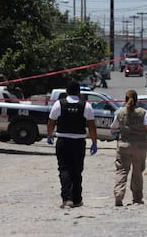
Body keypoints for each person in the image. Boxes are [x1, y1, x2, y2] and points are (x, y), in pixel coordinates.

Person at [47, 80, 98, 208]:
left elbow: (51, 121)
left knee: (64, 169)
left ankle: (67, 199)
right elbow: (92, 126)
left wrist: (49, 135)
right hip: (79, 142)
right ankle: (77, 199)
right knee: (77, 170)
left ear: (66, 91)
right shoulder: (86, 106)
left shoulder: (59, 104)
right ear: (79, 92)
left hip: (63, 141)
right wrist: (94, 142)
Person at [110, 89, 147, 207]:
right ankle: (137, 198)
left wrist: (114, 133)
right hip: (140, 146)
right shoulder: (142, 112)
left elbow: (113, 128)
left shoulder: (119, 112)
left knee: (122, 171)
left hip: (124, 145)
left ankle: (119, 195)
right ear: (137, 100)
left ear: (125, 99)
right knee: (137, 171)